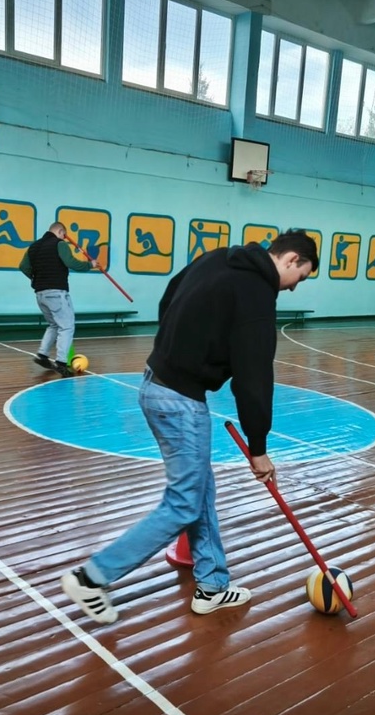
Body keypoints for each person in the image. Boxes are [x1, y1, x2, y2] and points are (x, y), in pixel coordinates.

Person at [60, 229, 320, 624]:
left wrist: (179, 347)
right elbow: (253, 379)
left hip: (154, 382)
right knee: (184, 502)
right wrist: (258, 449)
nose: (295, 287)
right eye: (300, 277)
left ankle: (212, 586)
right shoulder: (257, 295)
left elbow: (170, 297)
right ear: (291, 260)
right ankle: (91, 578)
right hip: (180, 401)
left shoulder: (219, 257)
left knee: (199, 491)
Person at [18, 222, 96, 377]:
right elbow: (71, 262)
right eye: (64, 235)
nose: (64, 238)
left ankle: (42, 355)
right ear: (60, 232)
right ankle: (61, 363)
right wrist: (90, 264)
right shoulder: (60, 244)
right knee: (66, 327)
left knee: (54, 325)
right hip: (56, 293)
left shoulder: (33, 247)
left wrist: (37, 278)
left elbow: (23, 266)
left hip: (40, 294)